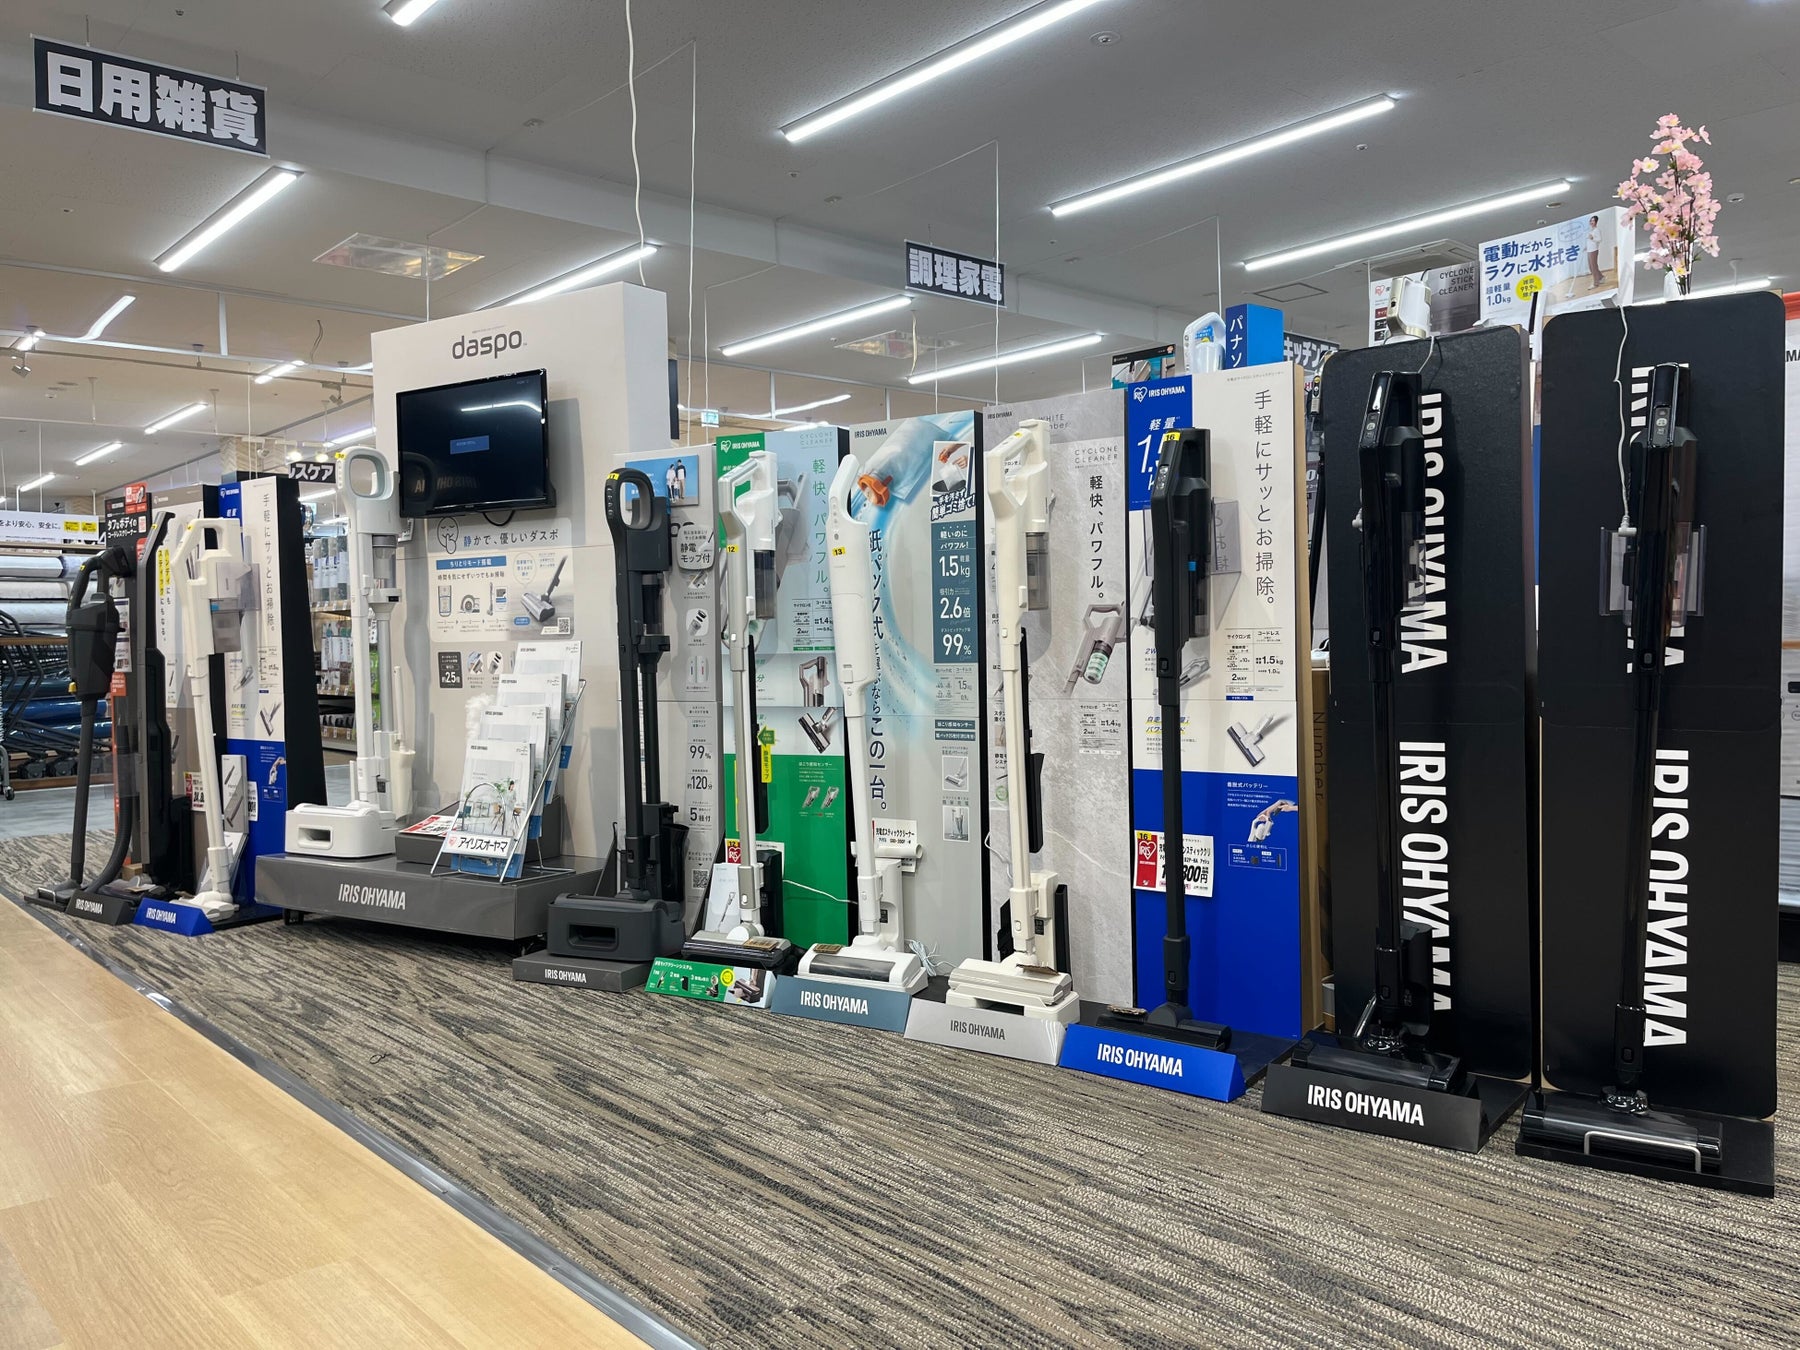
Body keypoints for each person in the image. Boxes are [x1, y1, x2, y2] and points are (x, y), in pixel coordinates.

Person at [1586, 215, 1605, 289]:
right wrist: (1586, 247)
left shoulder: (1597, 230)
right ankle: (1601, 277)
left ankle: (1595, 283)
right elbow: (1589, 241)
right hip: (1589, 250)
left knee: (1593, 267)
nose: (1591, 222)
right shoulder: (1591, 230)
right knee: (1592, 267)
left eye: (1593, 221)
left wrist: (1592, 238)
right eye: (1591, 220)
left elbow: (1599, 239)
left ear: (1596, 222)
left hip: (1594, 250)